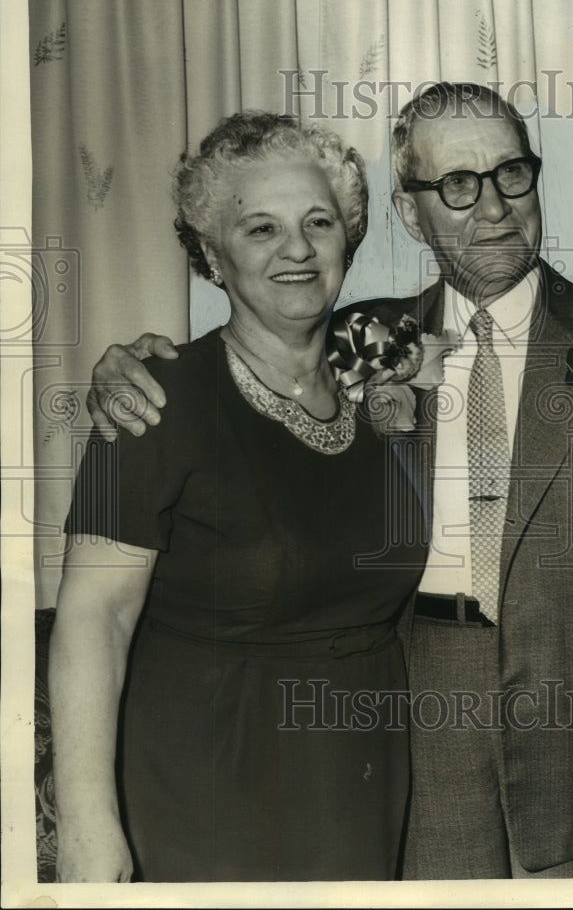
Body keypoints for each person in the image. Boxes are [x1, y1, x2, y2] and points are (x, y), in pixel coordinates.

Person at [87, 83, 573, 881]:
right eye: (456, 185)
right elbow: (251, 367)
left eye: (511, 174)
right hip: (411, 749)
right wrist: (132, 367)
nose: (492, 207)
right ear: (408, 210)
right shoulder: (364, 339)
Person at [49, 111, 426, 883]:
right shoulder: (153, 401)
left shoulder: (379, 376)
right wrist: (88, 827)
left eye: (318, 222)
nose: (296, 248)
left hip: (362, 772)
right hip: (207, 778)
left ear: (347, 240)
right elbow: (95, 617)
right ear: (212, 256)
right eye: (260, 229)